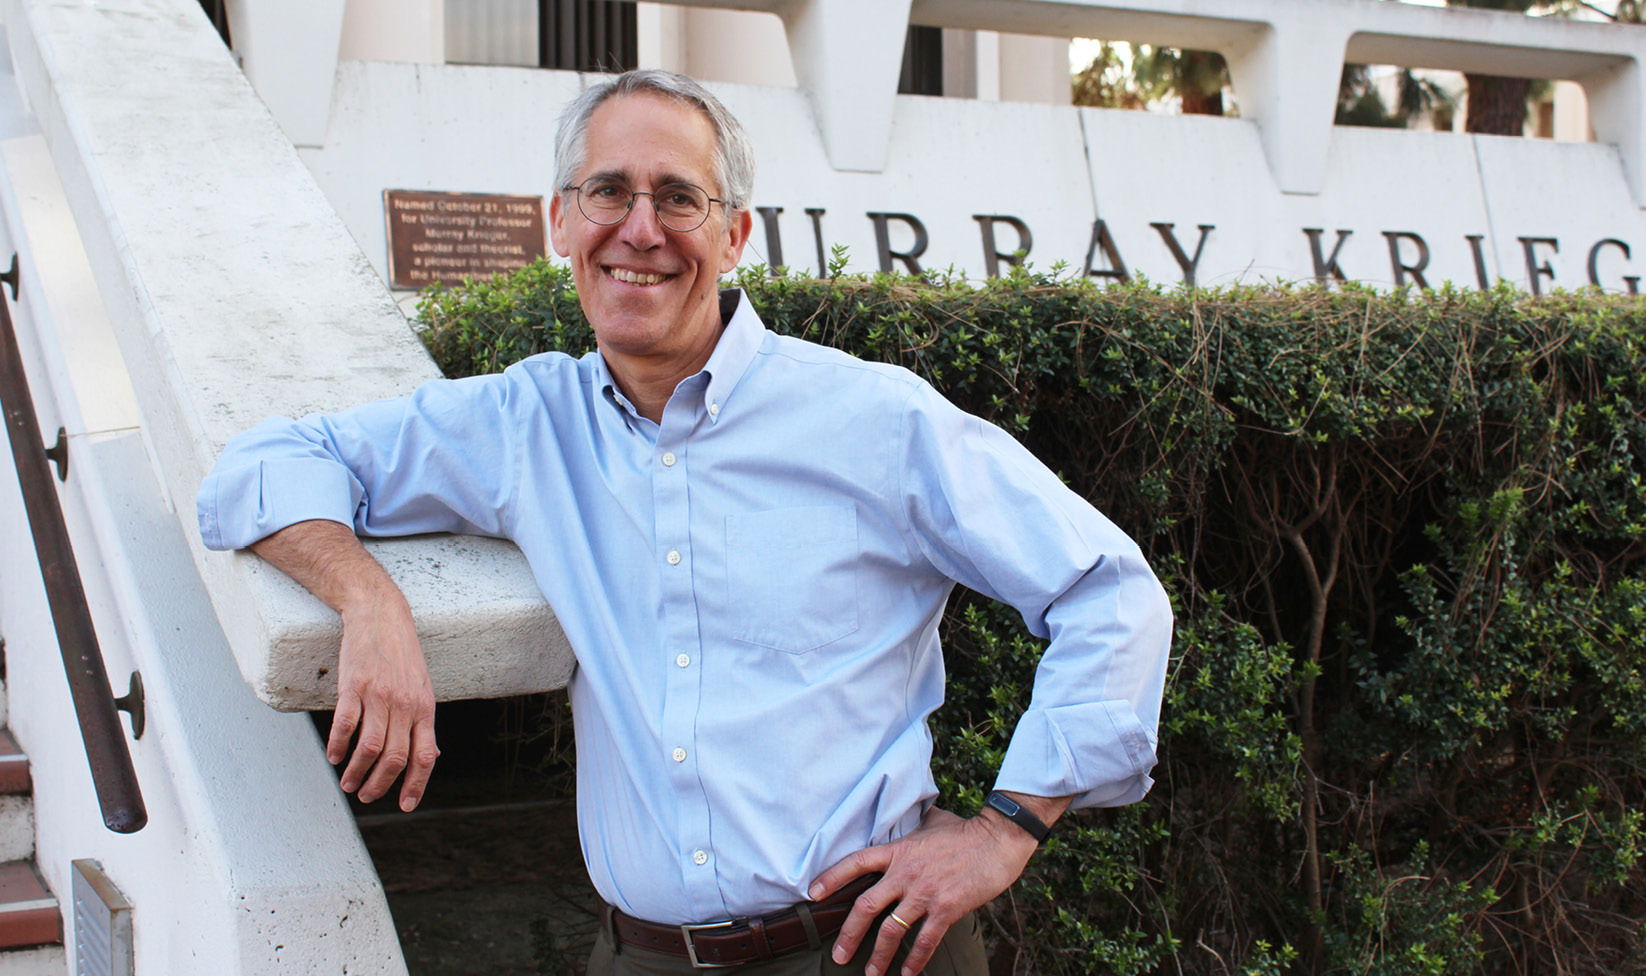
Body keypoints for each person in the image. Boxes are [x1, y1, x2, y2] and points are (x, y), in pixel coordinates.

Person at [196, 69, 1172, 976]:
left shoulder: (875, 419)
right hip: (639, 957)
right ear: (560, 221)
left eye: (677, 197)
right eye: (607, 191)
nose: (639, 228)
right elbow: (263, 465)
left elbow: (1108, 592)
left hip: (863, 950)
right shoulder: (524, 424)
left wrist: (1005, 828)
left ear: (734, 232)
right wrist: (367, 598)